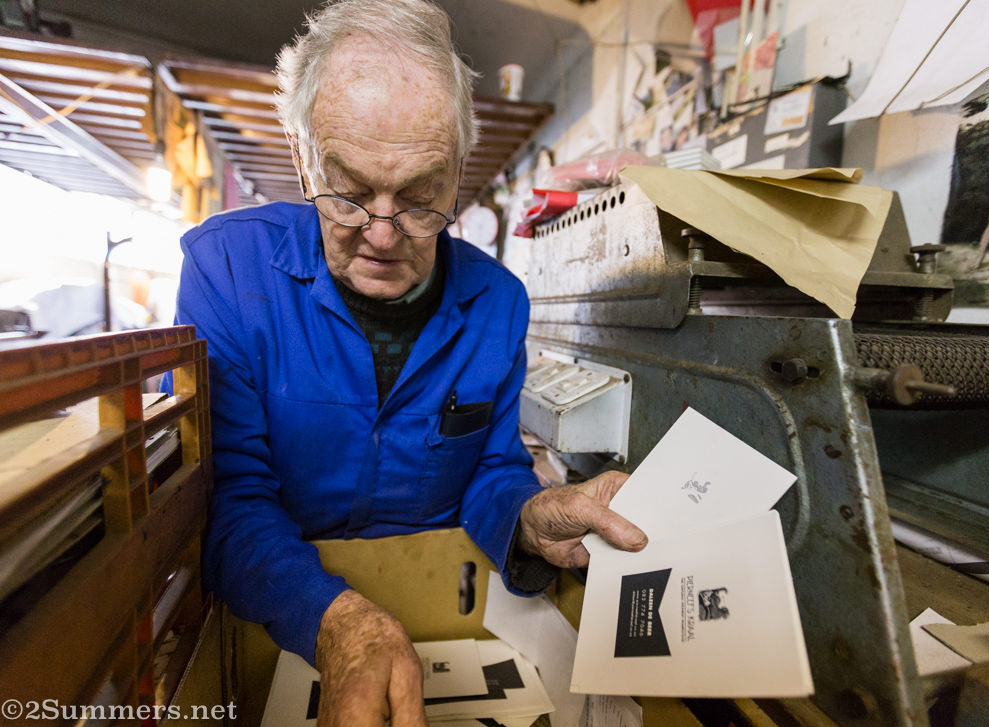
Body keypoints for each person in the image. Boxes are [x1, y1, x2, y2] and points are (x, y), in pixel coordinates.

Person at [172, 0, 647, 724]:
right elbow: (231, 499)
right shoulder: (228, 271)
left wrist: (526, 514)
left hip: (445, 606)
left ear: (458, 173)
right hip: (285, 612)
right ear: (303, 157)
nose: (384, 234)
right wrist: (337, 621)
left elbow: (489, 471)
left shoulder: (497, 304)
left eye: (422, 196)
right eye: (350, 193)